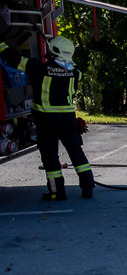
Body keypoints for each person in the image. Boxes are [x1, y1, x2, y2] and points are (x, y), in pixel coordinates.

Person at [0, 36, 95, 200]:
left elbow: (13, 58)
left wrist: (1, 44)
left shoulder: (38, 69)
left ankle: (57, 192)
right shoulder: (75, 73)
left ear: (52, 52)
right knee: (76, 152)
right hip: (68, 120)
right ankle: (88, 188)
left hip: (47, 120)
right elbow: (74, 71)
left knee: (50, 156)